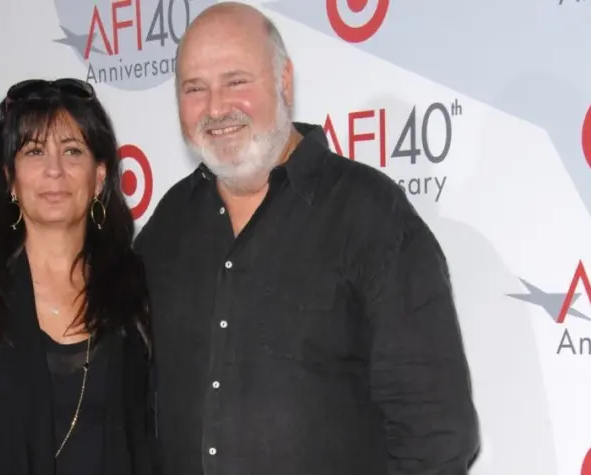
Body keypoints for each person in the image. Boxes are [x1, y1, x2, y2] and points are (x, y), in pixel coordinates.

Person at [134, 3, 480, 474]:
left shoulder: (370, 215)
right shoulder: (170, 223)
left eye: (236, 81)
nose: (216, 108)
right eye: (195, 88)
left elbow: (437, 433)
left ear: (285, 82)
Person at [0, 78, 158, 475]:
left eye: (73, 151)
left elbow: (149, 442)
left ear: (100, 176)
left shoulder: (136, 290)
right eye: (35, 152)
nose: (54, 170)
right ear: (10, 177)